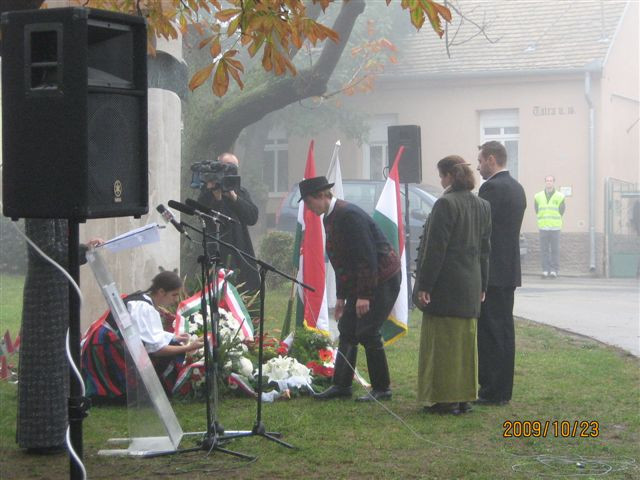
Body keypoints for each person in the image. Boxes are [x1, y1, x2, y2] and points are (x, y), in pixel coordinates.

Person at [299, 176, 401, 402]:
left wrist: (364, 296)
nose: (308, 208)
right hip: (363, 276)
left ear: (323, 196)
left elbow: (366, 257)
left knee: (367, 329)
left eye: (308, 202)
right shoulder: (330, 217)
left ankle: (382, 388)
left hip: (382, 276)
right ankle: (342, 385)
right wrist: (342, 298)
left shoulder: (349, 216)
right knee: (347, 327)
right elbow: (341, 261)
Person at [17, 220, 103, 455]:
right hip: (45, 291)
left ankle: (58, 432)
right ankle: (41, 438)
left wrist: (84, 247)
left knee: (60, 361)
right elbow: (45, 249)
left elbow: (61, 244)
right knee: (45, 364)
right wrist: (82, 251)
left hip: (60, 286)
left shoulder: (60, 207)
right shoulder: (41, 206)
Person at [415, 156, 492, 415]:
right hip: (471, 284)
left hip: (446, 285)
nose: (440, 181)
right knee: (466, 346)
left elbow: (435, 250)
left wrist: (424, 284)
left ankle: (444, 399)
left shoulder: (445, 204)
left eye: (441, 176)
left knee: (443, 345)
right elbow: (485, 250)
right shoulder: (483, 205)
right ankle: (464, 398)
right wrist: (483, 283)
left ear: (449, 176)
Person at [81, 271, 204, 402]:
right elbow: (156, 349)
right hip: (105, 348)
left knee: (173, 344)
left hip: (106, 344)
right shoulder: (143, 307)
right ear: (161, 292)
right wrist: (188, 347)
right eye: (174, 295)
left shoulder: (143, 301)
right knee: (169, 352)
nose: (175, 300)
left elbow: (145, 333)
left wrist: (175, 337)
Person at [476, 141, 527, 405]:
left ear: (492, 159)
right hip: (508, 269)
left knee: (490, 333)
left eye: (481, 161)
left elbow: (481, 228)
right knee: (505, 332)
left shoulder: (491, 188)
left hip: (492, 271)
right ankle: (503, 390)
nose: (478, 167)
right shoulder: (517, 188)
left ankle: (491, 391)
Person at [196, 152, 260, 292]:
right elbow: (209, 218)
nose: (229, 171)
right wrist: (217, 198)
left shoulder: (239, 192)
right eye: (226, 167)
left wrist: (233, 197)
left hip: (241, 249)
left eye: (233, 168)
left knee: (246, 288)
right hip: (218, 251)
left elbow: (252, 217)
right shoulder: (207, 193)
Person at [534, 176, 566, 278]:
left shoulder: (560, 196)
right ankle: (545, 270)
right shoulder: (538, 196)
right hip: (543, 227)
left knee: (555, 250)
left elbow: (562, 211)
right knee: (544, 250)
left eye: (551, 181)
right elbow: (537, 210)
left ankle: (554, 271)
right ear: (545, 182)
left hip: (555, 228)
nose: (549, 183)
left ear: (553, 183)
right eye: (547, 181)